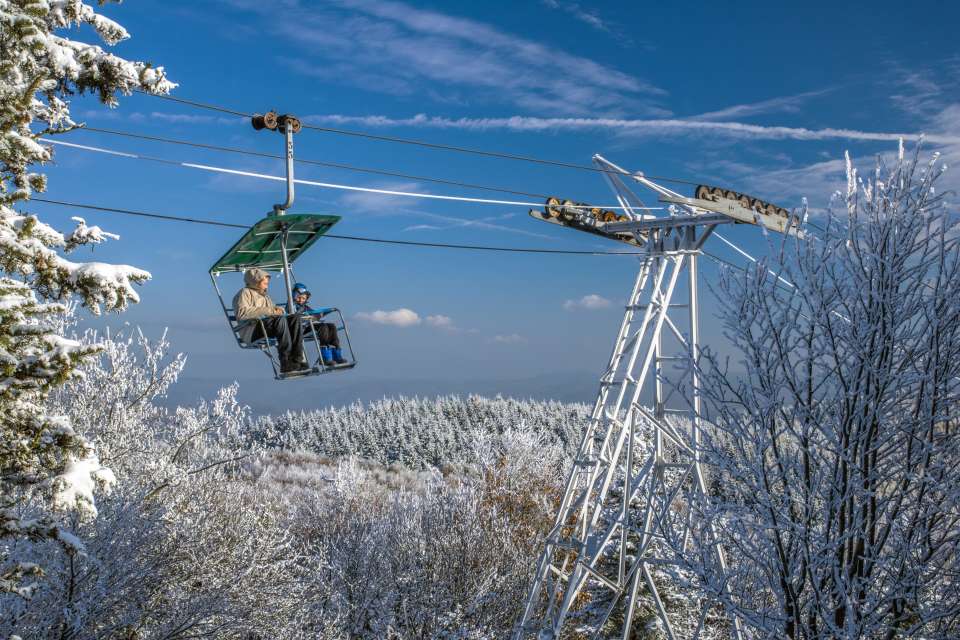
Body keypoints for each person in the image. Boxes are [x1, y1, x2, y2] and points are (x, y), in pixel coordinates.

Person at [233, 268, 308, 375]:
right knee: (279, 320)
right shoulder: (244, 293)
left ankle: (297, 359)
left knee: (294, 318)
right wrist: (270, 311)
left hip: (268, 325)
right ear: (256, 281)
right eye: (264, 282)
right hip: (252, 329)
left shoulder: (265, 296)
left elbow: (272, 310)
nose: (267, 284)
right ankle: (285, 361)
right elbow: (242, 313)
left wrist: (279, 310)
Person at [292, 282, 348, 366]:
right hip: (301, 329)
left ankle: (336, 355)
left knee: (331, 326)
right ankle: (325, 358)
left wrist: (326, 311)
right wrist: (313, 316)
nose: (301, 300)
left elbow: (314, 314)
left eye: (303, 298)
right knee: (323, 327)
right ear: (294, 296)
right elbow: (293, 317)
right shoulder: (292, 306)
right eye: (298, 297)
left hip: (310, 325)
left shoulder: (305, 307)